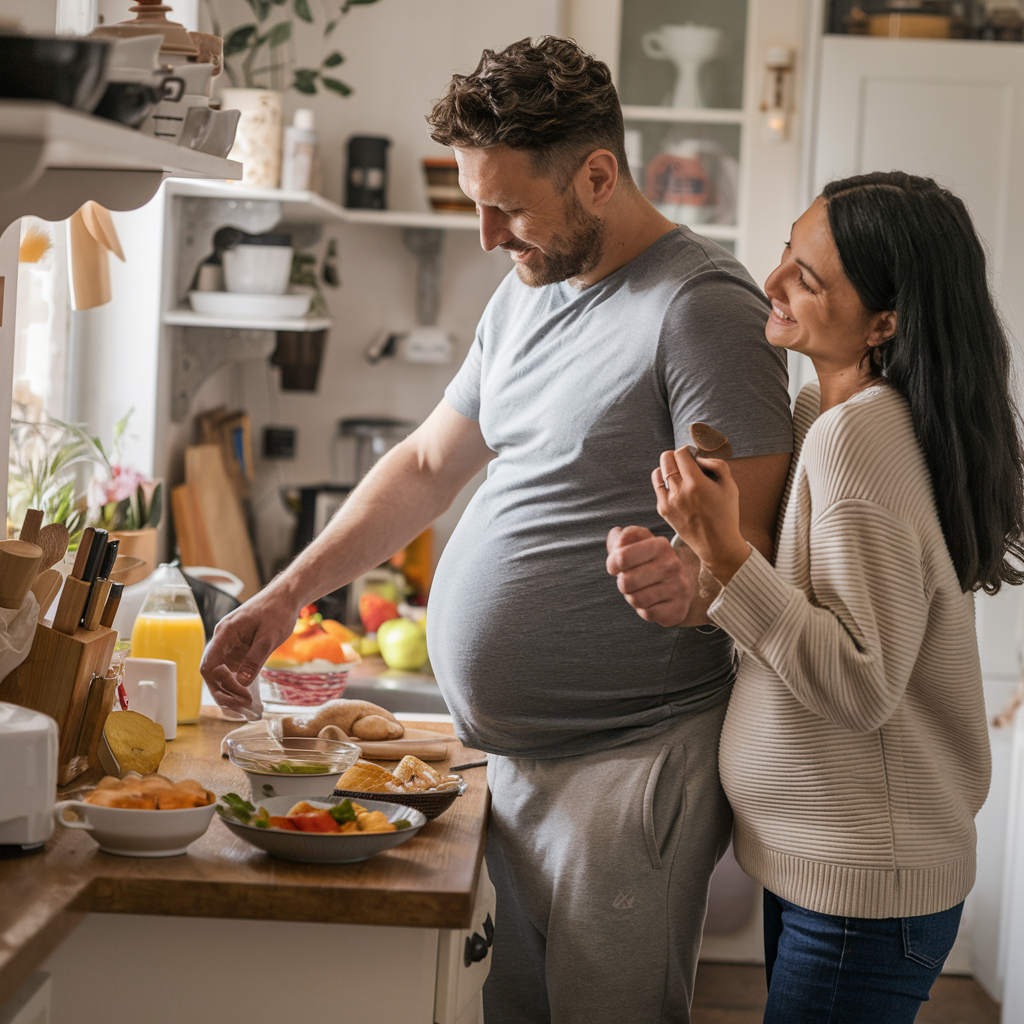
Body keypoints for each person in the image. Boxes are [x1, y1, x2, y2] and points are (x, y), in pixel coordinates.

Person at [201, 37, 793, 1023]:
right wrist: (284, 591)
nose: (483, 235)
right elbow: (428, 466)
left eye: (506, 207)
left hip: (626, 764)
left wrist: (694, 583)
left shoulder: (701, 310)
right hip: (496, 762)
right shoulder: (527, 289)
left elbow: (761, 542)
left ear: (597, 175)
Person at [650, 171, 1022, 1023]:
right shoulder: (829, 407)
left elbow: (859, 683)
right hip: (833, 869)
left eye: (807, 278)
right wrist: (707, 567)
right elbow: (807, 609)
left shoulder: (859, 438)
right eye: (788, 249)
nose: (772, 279)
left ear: (884, 322)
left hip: (864, 886)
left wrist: (724, 548)